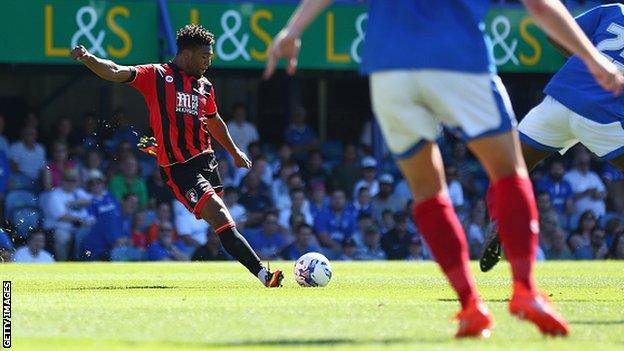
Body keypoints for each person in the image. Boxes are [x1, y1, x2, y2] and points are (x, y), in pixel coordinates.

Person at [264, 0, 624, 337]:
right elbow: (540, 6)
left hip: (390, 70)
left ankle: (470, 305)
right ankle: (525, 291)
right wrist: (594, 60)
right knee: (510, 172)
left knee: (427, 191)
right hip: (460, 61)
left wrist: (293, 31)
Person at [72, 24, 283, 287]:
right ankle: (264, 275)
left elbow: (214, 121)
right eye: (204, 56)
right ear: (185, 54)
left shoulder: (204, 86)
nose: (209, 61)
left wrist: (235, 152)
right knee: (220, 214)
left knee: (222, 222)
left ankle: (261, 273)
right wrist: (89, 58)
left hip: (207, 161)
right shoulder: (156, 76)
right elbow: (115, 71)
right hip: (179, 168)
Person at [482, 4, 624, 270]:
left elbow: (554, 35)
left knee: (507, 167)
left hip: (558, 102)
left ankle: (500, 221)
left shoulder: (613, 9)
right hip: (604, 112)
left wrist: (589, 63)